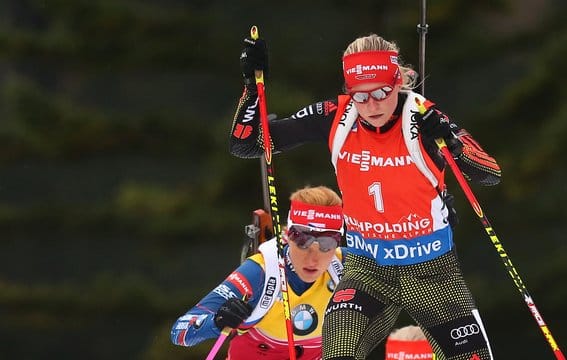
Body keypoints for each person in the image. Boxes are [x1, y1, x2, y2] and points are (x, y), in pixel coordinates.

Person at [230, 33, 501, 360]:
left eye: (382, 92)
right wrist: (251, 85)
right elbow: (248, 143)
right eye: (360, 96)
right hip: (367, 270)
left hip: (430, 270)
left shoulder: (423, 119)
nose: (371, 105)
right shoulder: (336, 116)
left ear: (399, 82)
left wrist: (450, 143)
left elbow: (489, 173)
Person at [170, 185, 348, 360]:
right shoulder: (260, 272)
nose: (313, 259)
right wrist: (216, 321)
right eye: (303, 241)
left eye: (326, 244)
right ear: (288, 236)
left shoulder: (346, 267)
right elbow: (179, 332)